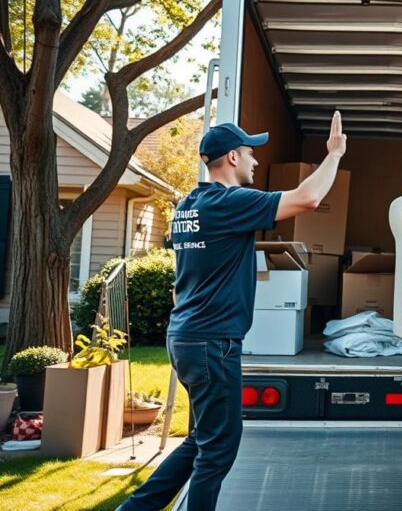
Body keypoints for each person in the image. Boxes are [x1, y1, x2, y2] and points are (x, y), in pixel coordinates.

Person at [118, 112, 348, 510]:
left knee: (203, 440)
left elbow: (182, 281)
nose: (256, 160)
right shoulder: (228, 203)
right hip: (212, 342)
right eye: (250, 152)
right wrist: (334, 155)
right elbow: (307, 199)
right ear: (232, 157)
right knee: (219, 447)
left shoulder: (189, 206)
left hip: (187, 336)